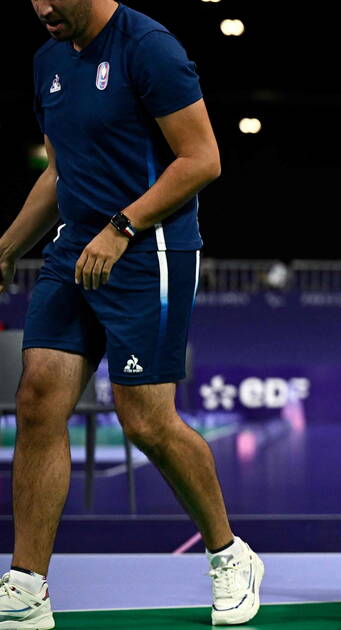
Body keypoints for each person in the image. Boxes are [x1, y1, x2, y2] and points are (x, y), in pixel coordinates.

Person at [0, 2, 264, 627]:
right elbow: (60, 171)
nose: (41, 7)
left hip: (150, 251)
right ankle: (27, 584)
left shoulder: (149, 47)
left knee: (145, 421)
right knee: (38, 398)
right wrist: (8, 245)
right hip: (75, 247)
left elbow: (202, 159)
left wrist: (124, 226)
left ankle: (230, 555)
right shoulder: (47, 60)